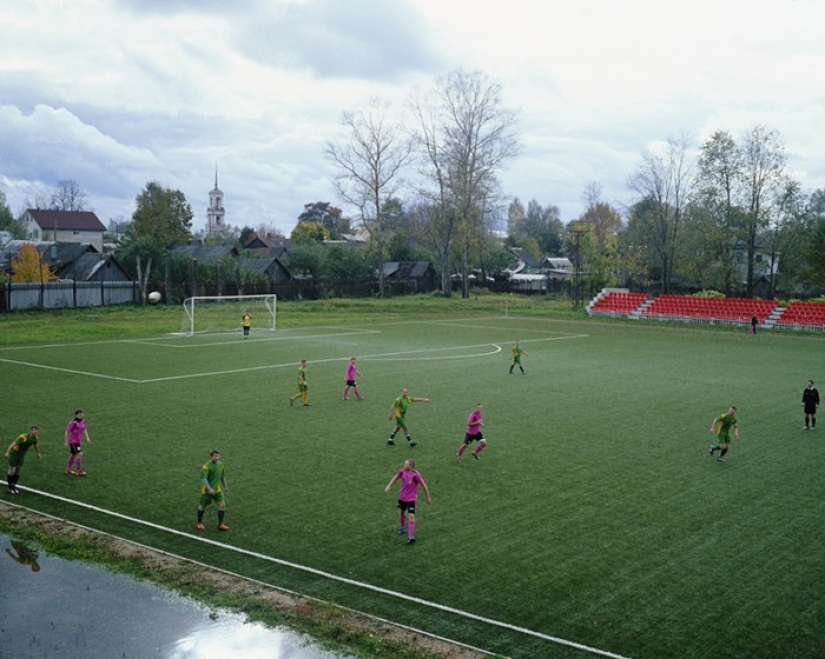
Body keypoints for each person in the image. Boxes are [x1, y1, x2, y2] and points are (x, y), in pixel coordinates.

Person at [384, 458, 432, 545]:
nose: (404, 465)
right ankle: (402, 528)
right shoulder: (402, 471)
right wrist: (389, 486)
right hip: (402, 497)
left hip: (411, 499)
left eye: (406, 464)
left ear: (410, 466)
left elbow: (424, 486)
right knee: (402, 513)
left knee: (411, 516)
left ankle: (411, 537)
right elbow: (395, 478)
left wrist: (428, 497)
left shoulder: (416, 475)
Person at [197, 449, 228, 531]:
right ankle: (199, 523)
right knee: (202, 506)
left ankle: (221, 524)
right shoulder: (206, 466)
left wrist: (225, 486)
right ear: (211, 457)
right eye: (215, 456)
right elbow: (204, 478)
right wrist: (209, 488)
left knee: (222, 505)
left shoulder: (221, 465)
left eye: (218, 456)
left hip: (217, 490)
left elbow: (222, 476)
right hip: (207, 491)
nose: (217, 458)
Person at [4, 425, 41, 495]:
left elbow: (35, 445)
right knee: (12, 469)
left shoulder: (35, 438)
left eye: (37, 430)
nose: (36, 431)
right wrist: (7, 453)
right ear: (31, 430)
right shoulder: (23, 437)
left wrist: (38, 453)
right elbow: (12, 444)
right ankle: (9, 487)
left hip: (22, 454)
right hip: (14, 454)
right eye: (34, 430)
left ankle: (13, 486)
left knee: (18, 470)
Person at [64, 408, 91, 476]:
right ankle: (79, 471)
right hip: (73, 442)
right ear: (76, 415)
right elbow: (67, 432)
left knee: (73, 455)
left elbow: (84, 429)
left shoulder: (83, 421)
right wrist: (66, 442)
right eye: (80, 414)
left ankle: (68, 470)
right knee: (79, 454)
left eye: (82, 414)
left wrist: (87, 437)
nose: (81, 415)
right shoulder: (73, 423)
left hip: (78, 441)